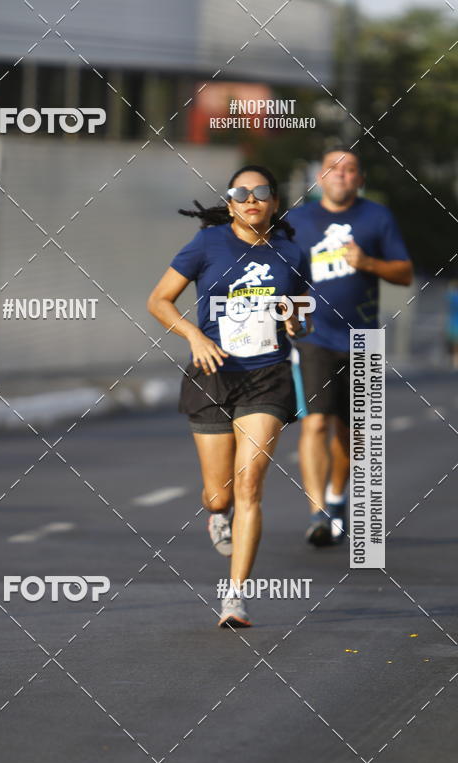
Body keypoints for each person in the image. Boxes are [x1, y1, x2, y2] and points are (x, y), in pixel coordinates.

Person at [147, 165, 311, 628]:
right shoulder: (207, 244)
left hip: (268, 376)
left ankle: (235, 596)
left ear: (274, 202)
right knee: (219, 495)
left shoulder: (292, 253)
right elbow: (159, 300)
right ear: (231, 202)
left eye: (262, 191)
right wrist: (194, 337)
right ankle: (216, 515)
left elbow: (302, 314)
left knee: (250, 483)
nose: (251, 198)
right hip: (212, 374)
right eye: (242, 191)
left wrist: (298, 322)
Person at [287, 147, 413, 546]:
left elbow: (405, 273)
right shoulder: (298, 219)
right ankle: (318, 514)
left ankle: (337, 497)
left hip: (364, 337)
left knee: (351, 431)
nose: (341, 175)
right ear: (319, 177)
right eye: (333, 169)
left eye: (350, 170)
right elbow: (281, 274)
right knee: (316, 421)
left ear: (359, 179)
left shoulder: (376, 217)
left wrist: (369, 263)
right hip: (313, 337)